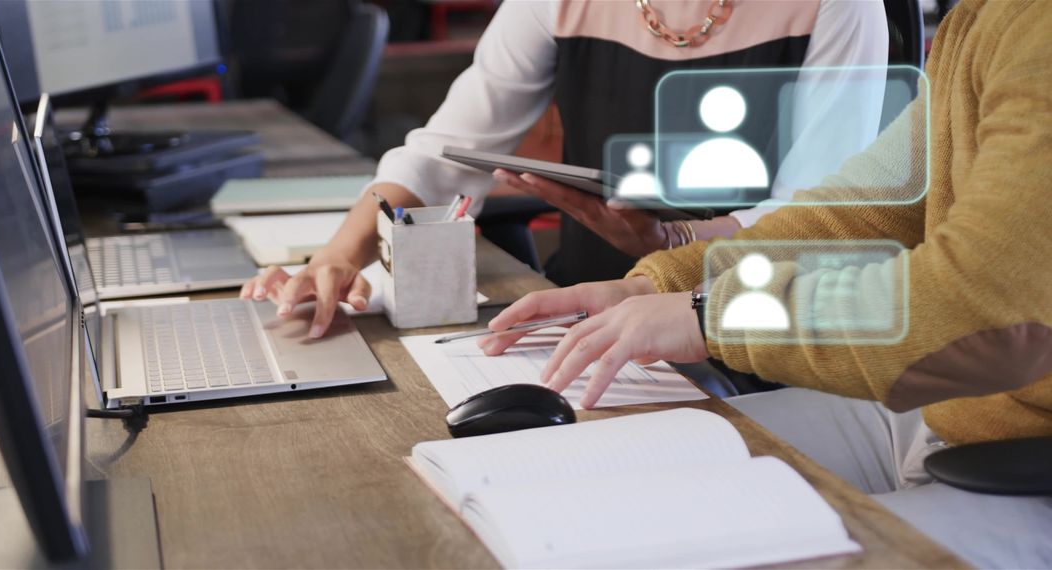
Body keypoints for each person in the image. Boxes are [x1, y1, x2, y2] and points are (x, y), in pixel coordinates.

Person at [481, 0, 1052, 566]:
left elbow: (979, 310)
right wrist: (660, 285)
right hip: (953, 412)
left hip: (1025, 453)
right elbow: (864, 212)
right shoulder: (991, 13)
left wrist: (712, 315)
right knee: (614, 475)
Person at [241, 0, 888, 339]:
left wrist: (678, 242)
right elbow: (442, 151)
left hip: (742, 315)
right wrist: (339, 254)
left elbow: (819, 212)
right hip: (579, 308)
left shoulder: (838, 5)